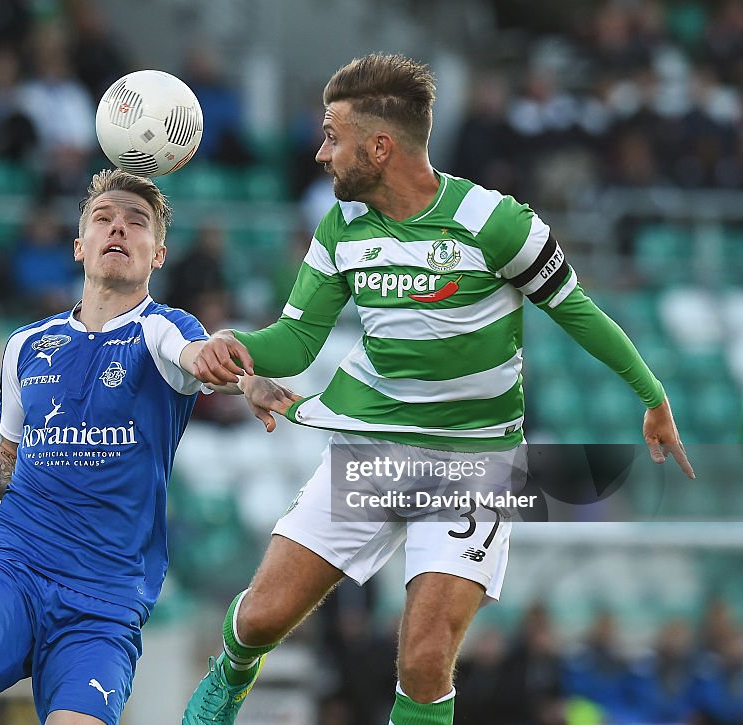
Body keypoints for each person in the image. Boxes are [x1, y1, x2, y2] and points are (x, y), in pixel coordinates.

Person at [181, 52, 694, 725]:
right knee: (261, 618)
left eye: (333, 138)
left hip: (473, 465)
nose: (319, 153)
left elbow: (577, 310)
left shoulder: (494, 222)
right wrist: (241, 349)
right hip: (373, 453)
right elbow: (297, 339)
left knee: (425, 660)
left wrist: (652, 396)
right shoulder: (342, 227)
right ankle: (233, 670)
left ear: (380, 146)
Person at [0, 169, 298, 725]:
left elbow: (199, 356)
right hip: (15, 564)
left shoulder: (163, 330)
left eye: (137, 224)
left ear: (157, 254)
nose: (119, 229)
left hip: (105, 599)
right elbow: (7, 466)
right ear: (79, 245)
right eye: (104, 219)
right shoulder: (26, 346)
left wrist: (247, 382)